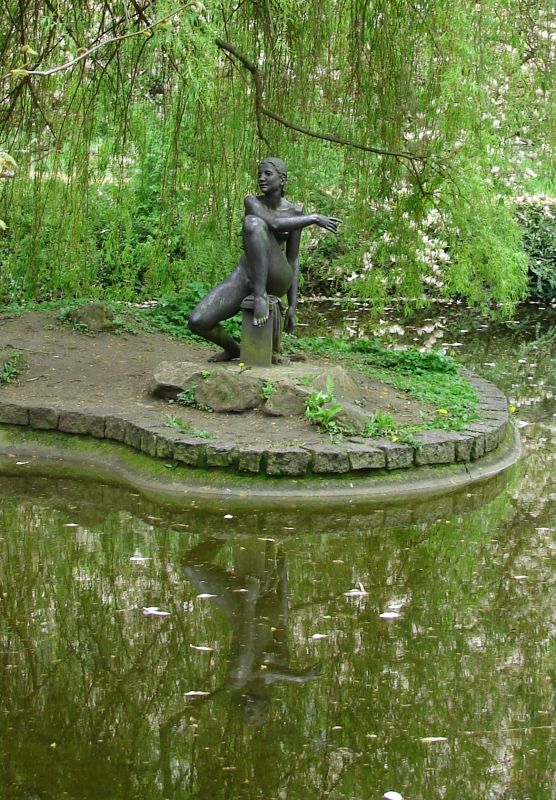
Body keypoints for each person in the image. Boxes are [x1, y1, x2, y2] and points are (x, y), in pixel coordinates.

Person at [187, 157, 341, 361]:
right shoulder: (252, 201)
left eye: (268, 174)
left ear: (282, 179)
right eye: (259, 174)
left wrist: (293, 305)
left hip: (277, 276)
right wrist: (313, 218)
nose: (261, 178)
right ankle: (235, 351)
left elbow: (293, 260)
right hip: (246, 272)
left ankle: (260, 295)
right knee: (197, 321)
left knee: (252, 223)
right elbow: (274, 223)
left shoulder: (295, 211)